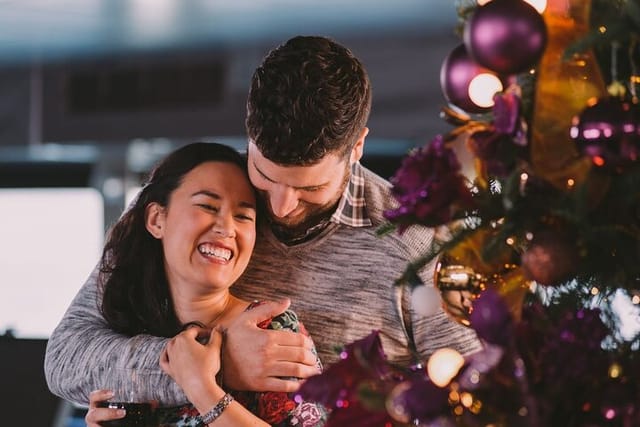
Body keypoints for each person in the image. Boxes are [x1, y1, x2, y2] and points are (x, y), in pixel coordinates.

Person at [45, 35, 481, 407]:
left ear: (358, 147)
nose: (281, 205)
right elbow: (66, 359)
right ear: (250, 133)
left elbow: (481, 393)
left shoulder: (420, 245)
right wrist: (218, 367)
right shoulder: (183, 203)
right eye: (265, 176)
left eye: (308, 188)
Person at [82, 141, 326, 426]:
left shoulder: (270, 331)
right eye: (208, 206)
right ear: (156, 219)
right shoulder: (124, 339)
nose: (226, 227)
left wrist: (203, 390)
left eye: (243, 216)